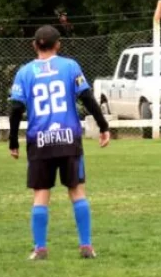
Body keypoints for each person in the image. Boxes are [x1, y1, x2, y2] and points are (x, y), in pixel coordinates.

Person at [8, 25, 111, 261]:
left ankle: (40, 248)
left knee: (41, 194)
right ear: (58, 45)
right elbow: (87, 97)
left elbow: (15, 109)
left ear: (35, 45)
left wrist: (13, 141)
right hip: (68, 140)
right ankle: (86, 246)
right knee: (77, 191)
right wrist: (103, 126)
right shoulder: (70, 66)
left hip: (39, 140)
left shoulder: (24, 72)